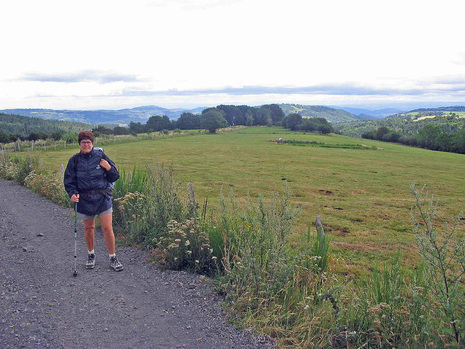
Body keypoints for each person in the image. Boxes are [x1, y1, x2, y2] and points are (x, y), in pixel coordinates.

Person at [64, 131, 123, 271]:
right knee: (88, 228)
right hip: (84, 200)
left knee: (107, 228)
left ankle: (113, 257)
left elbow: (115, 176)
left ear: (93, 143)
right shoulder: (74, 160)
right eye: (83, 142)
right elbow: (69, 181)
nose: (86, 145)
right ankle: (91, 255)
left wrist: (108, 167)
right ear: (79, 144)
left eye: (88, 142)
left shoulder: (101, 156)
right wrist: (72, 194)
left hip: (103, 198)